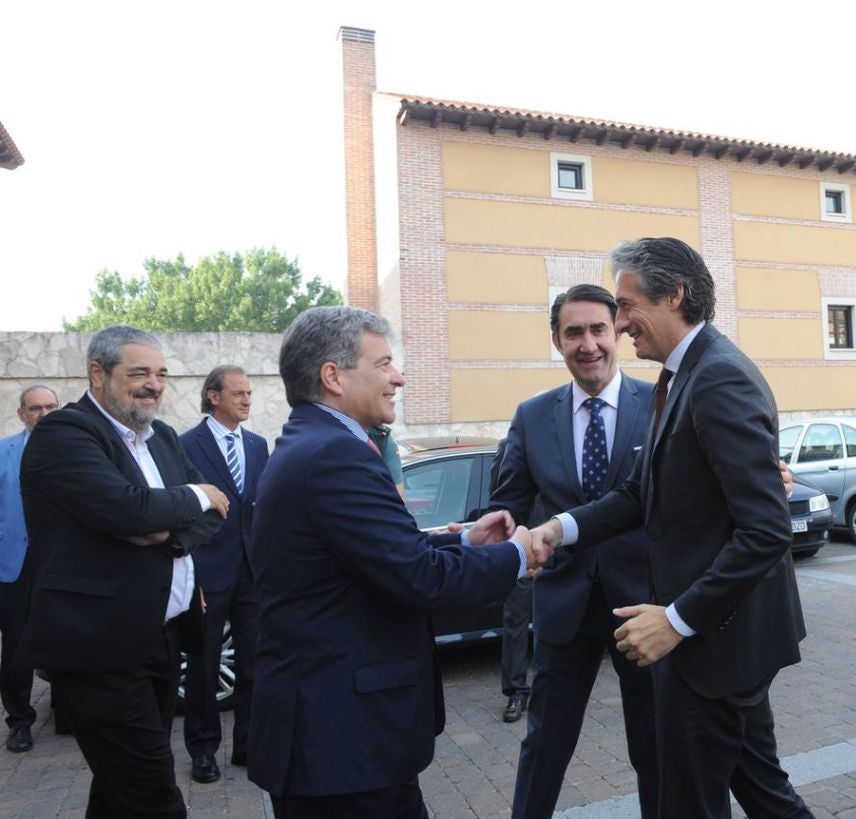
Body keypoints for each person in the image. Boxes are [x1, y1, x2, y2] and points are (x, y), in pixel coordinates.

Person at [534, 238, 813, 819]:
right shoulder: (681, 375)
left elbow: (764, 530)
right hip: (717, 645)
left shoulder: (717, 378)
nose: (621, 321)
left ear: (676, 295)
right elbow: (641, 494)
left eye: (627, 304)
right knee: (762, 791)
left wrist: (677, 620)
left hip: (713, 643)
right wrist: (558, 529)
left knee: (687, 803)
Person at [247, 305, 543, 819]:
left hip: (337, 740)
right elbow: (420, 580)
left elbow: (381, 558)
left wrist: (470, 544)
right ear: (333, 377)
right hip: (341, 743)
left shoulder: (315, 444)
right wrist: (516, 554)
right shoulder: (335, 456)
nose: (398, 378)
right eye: (384, 363)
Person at [18, 326, 230, 818]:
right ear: (98, 373)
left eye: (161, 374)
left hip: (162, 637)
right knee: (153, 796)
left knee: (120, 789)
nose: (154, 384)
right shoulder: (64, 433)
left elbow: (214, 519)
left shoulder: (163, 438)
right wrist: (197, 495)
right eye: (139, 373)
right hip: (98, 649)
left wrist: (170, 530)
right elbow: (127, 511)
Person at [491, 284, 659, 817]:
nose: (588, 344)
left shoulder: (662, 402)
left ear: (616, 333)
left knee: (654, 746)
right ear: (556, 341)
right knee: (544, 746)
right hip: (564, 605)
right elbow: (507, 507)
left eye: (597, 330)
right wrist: (484, 533)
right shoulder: (533, 415)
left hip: (643, 603)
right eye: (573, 332)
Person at [178, 365, 269, 783]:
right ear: (213, 397)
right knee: (204, 664)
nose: (247, 400)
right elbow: (183, 514)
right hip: (208, 573)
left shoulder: (257, 445)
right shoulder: (185, 446)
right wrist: (190, 577)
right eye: (238, 393)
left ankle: (248, 745)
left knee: (253, 661)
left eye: (249, 393)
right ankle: (202, 750)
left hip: (252, 572)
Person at [0, 385, 59, 753]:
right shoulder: (3, 452)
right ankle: (19, 720)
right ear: (22, 414)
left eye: (50, 407)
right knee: (17, 648)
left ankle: (68, 713)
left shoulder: (76, 453)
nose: (43, 414)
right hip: (15, 568)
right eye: (35, 408)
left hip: (63, 565)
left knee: (69, 639)